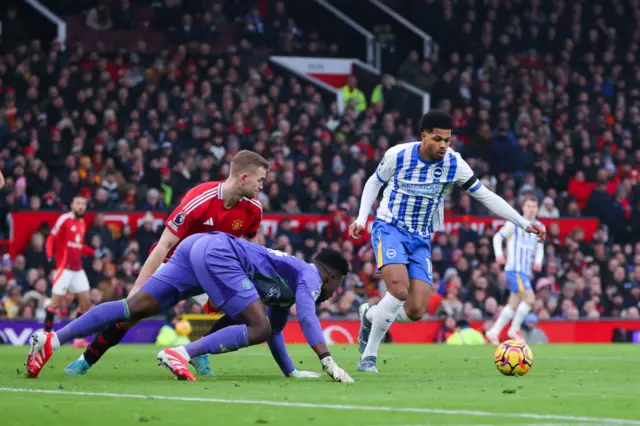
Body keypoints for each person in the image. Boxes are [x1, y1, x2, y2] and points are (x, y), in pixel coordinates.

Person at [349, 109, 546, 372]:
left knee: (416, 310)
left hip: (420, 236)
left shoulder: (454, 164)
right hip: (390, 227)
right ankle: (368, 357)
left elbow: (486, 197)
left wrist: (523, 222)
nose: (443, 145)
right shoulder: (398, 155)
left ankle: (369, 315)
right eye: (438, 139)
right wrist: (362, 218)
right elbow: (374, 182)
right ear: (424, 136)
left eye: (447, 140)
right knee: (398, 289)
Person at [26, 233, 354, 383]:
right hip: (222, 253)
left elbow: (277, 331)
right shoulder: (311, 275)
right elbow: (308, 316)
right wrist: (327, 359)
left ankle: (52, 340)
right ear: (331, 276)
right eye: (336, 286)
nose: (332, 294)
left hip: (195, 248)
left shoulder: (292, 283)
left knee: (132, 307)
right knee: (258, 325)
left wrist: (291, 371)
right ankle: (182, 354)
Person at [65, 150, 268, 376]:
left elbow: (251, 247)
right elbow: (163, 245)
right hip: (176, 266)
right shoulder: (200, 198)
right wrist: (137, 289)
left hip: (210, 272)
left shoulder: (253, 209)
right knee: (131, 314)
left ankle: (196, 349)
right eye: (260, 180)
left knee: (243, 311)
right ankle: (86, 359)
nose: (262, 186)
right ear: (243, 178)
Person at [486, 197, 544, 343]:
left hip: (525, 271)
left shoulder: (540, 226)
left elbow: (540, 247)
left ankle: (494, 331)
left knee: (513, 304)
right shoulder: (514, 223)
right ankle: (514, 329)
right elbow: (498, 237)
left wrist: (537, 261)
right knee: (530, 299)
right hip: (514, 269)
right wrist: (499, 254)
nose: (531, 209)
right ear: (523, 208)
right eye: (528, 206)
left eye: (534, 206)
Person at [44, 196, 96, 348]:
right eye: (78, 203)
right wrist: (49, 256)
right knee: (55, 304)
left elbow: (78, 246)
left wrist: (94, 252)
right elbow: (51, 238)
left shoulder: (82, 223)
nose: (81, 206)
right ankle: (45, 337)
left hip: (78, 269)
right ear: (72, 205)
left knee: (85, 303)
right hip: (64, 269)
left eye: (83, 204)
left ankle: (78, 339)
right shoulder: (64, 219)